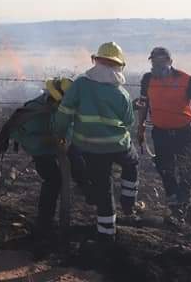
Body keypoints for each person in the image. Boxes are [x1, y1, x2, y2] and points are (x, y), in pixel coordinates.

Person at [0, 77, 88, 256]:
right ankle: (44, 227)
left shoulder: (66, 108)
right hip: (41, 149)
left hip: (62, 142)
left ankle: (89, 194)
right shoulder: (34, 113)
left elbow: (71, 127)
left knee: (79, 165)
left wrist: (65, 142)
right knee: (53, 180)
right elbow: (24, 138)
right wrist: (47, 141)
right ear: (53, 99)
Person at [53, 42, 139, 241]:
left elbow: (65, 111)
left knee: (103, 189)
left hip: (89, 147)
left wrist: (60, 133)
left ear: (96, 60)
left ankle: (106, 235)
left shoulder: (81, 84)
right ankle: (128, 200)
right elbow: (128, 122)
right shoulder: (121, 93)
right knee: (132, 162)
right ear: (118, 65)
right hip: (118, 145)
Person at [136, 46, 191, 226]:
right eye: (154, 62)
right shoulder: (147, 79)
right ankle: (174, 199)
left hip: (184, 132)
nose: (157, 65)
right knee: (163, 166)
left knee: (186, 168)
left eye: (161, 62)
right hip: (160, 132)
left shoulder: (186, 79)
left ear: (170, 61)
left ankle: (182, 202)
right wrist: (141, 126)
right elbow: (144, 103)